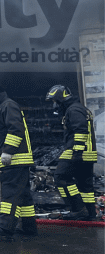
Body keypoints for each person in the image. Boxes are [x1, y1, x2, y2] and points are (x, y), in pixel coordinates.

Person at [0, 80, 36, 237]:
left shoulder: (8, 106)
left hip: (14, 159)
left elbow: (15, 129)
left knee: (10, 193)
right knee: (23, 196)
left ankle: (5, 227)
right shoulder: (2, 107)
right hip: (16, 160)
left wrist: (7, 152)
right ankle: (28, 227)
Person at [46, 85, 98, 220]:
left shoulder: (73, 110)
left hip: (78, 153)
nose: (54, 105)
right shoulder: (79, 108)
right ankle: (90, 214)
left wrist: (77, 152)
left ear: (60, 99)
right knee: (84, 185)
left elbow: (80, 130)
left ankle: (78, 209)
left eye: (54, 101)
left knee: (61, 177)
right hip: (87, 154)